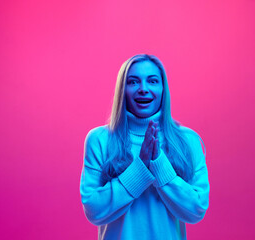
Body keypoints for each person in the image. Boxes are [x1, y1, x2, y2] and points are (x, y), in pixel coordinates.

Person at [80, 54, 209, 240]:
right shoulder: (99, 139)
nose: (143, 89)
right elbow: (94, 210)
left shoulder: (188, 140)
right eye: (133, 82)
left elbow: (196, 210)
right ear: (122, 90)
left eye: (153, 81)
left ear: (163, 89)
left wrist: (158, 164)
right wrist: (140, 169)